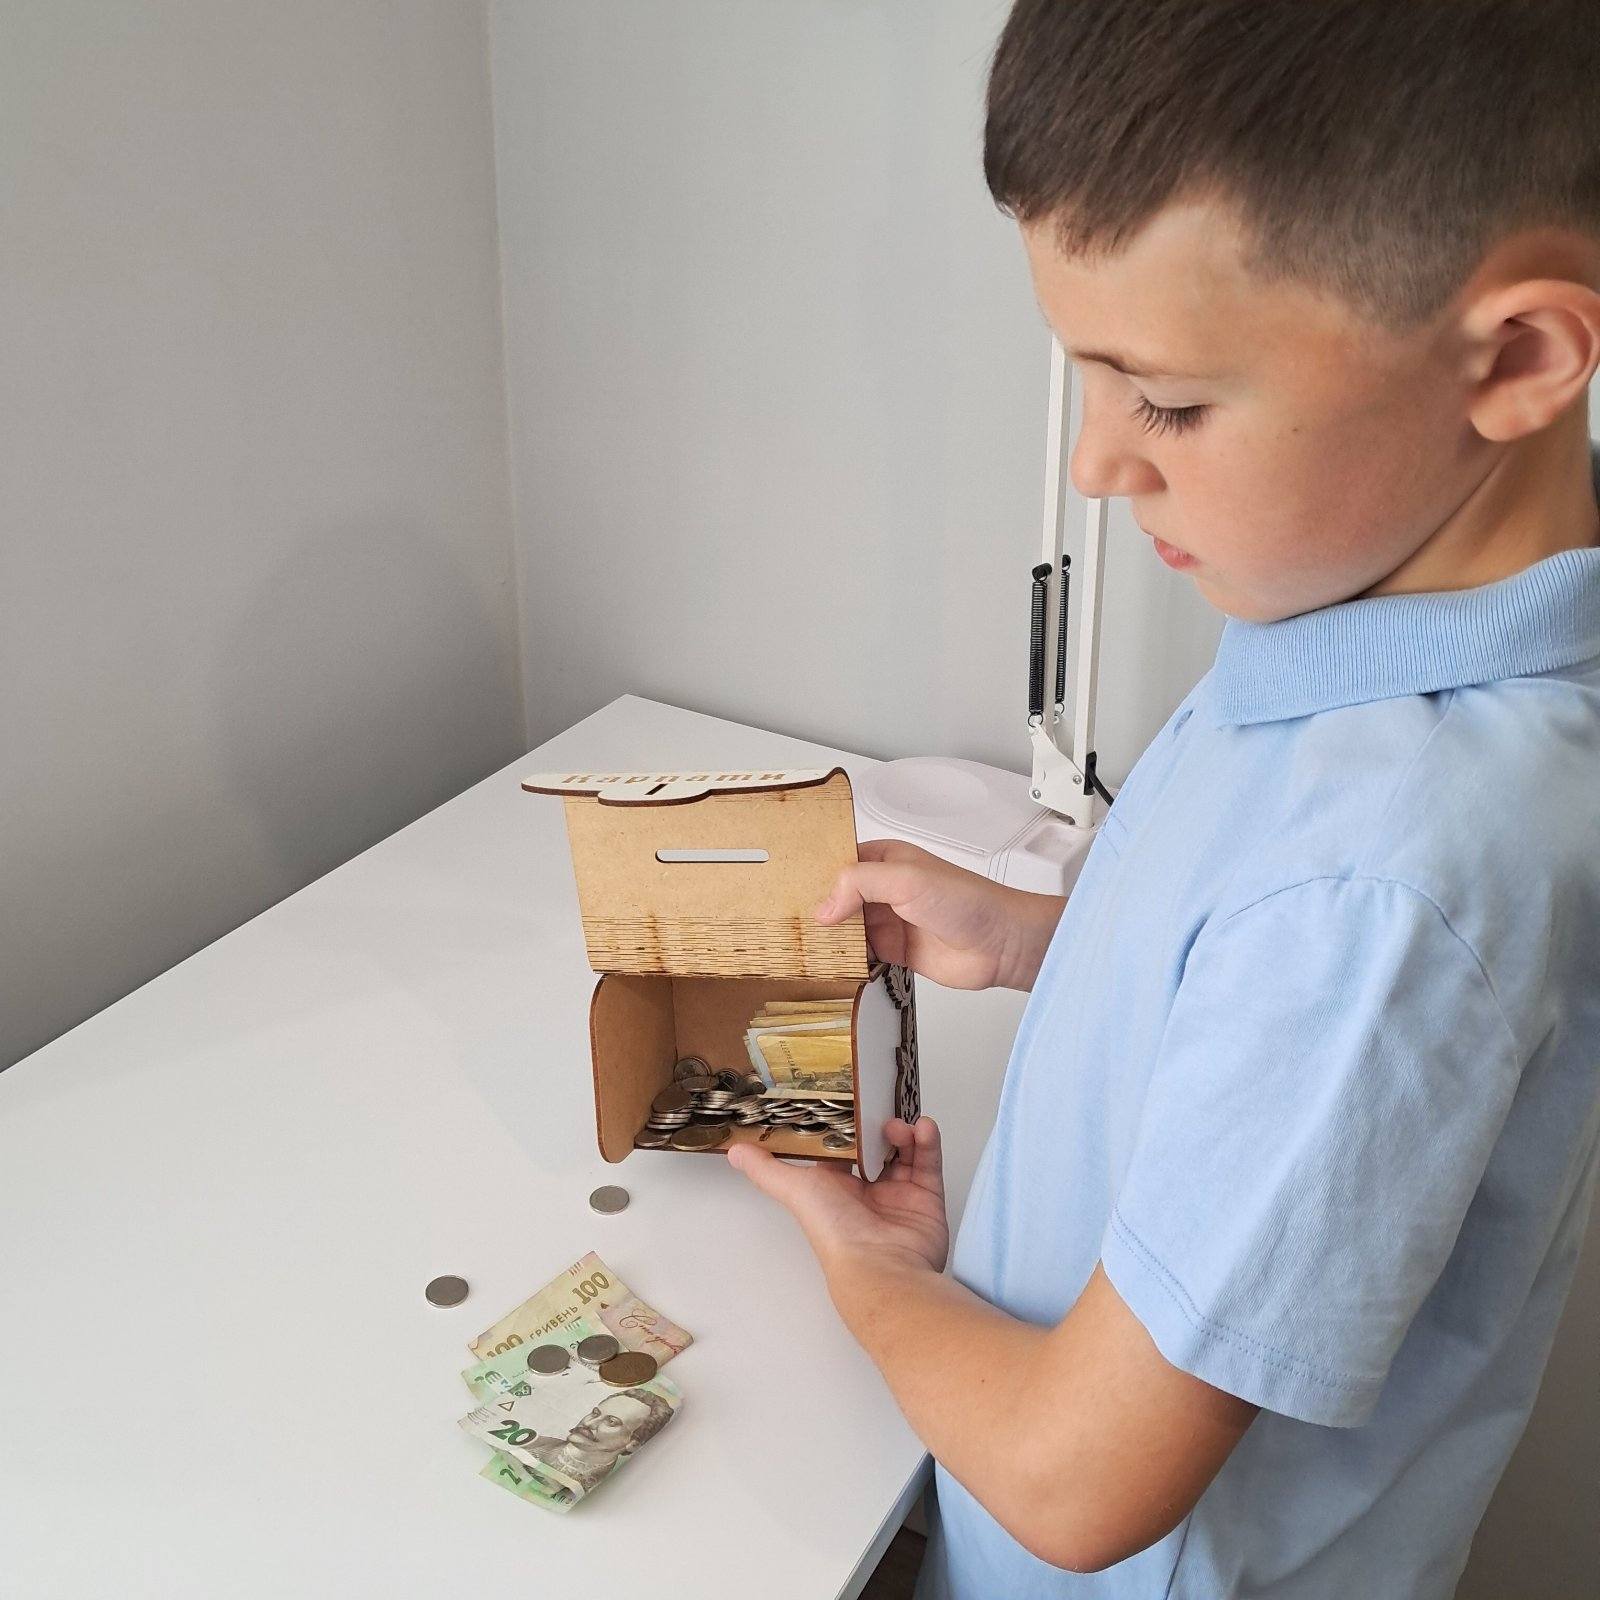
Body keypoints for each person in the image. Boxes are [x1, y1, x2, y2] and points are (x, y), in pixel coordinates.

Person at [724, 3, 1600, 1595]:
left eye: (1170, 403)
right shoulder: (1351, 624)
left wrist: (876, 1276)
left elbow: (1077, 1482)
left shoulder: (1388, 877)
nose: (1099, 466)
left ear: (1520, 359)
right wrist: (1047, 940)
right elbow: (1271, 1012)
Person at [523, 1386, 677, 1497]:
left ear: (632, 1444)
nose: (589, 1423)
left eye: (611, 1422)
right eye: (595, 1413)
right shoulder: (531, 1445)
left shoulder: (614, 1491)